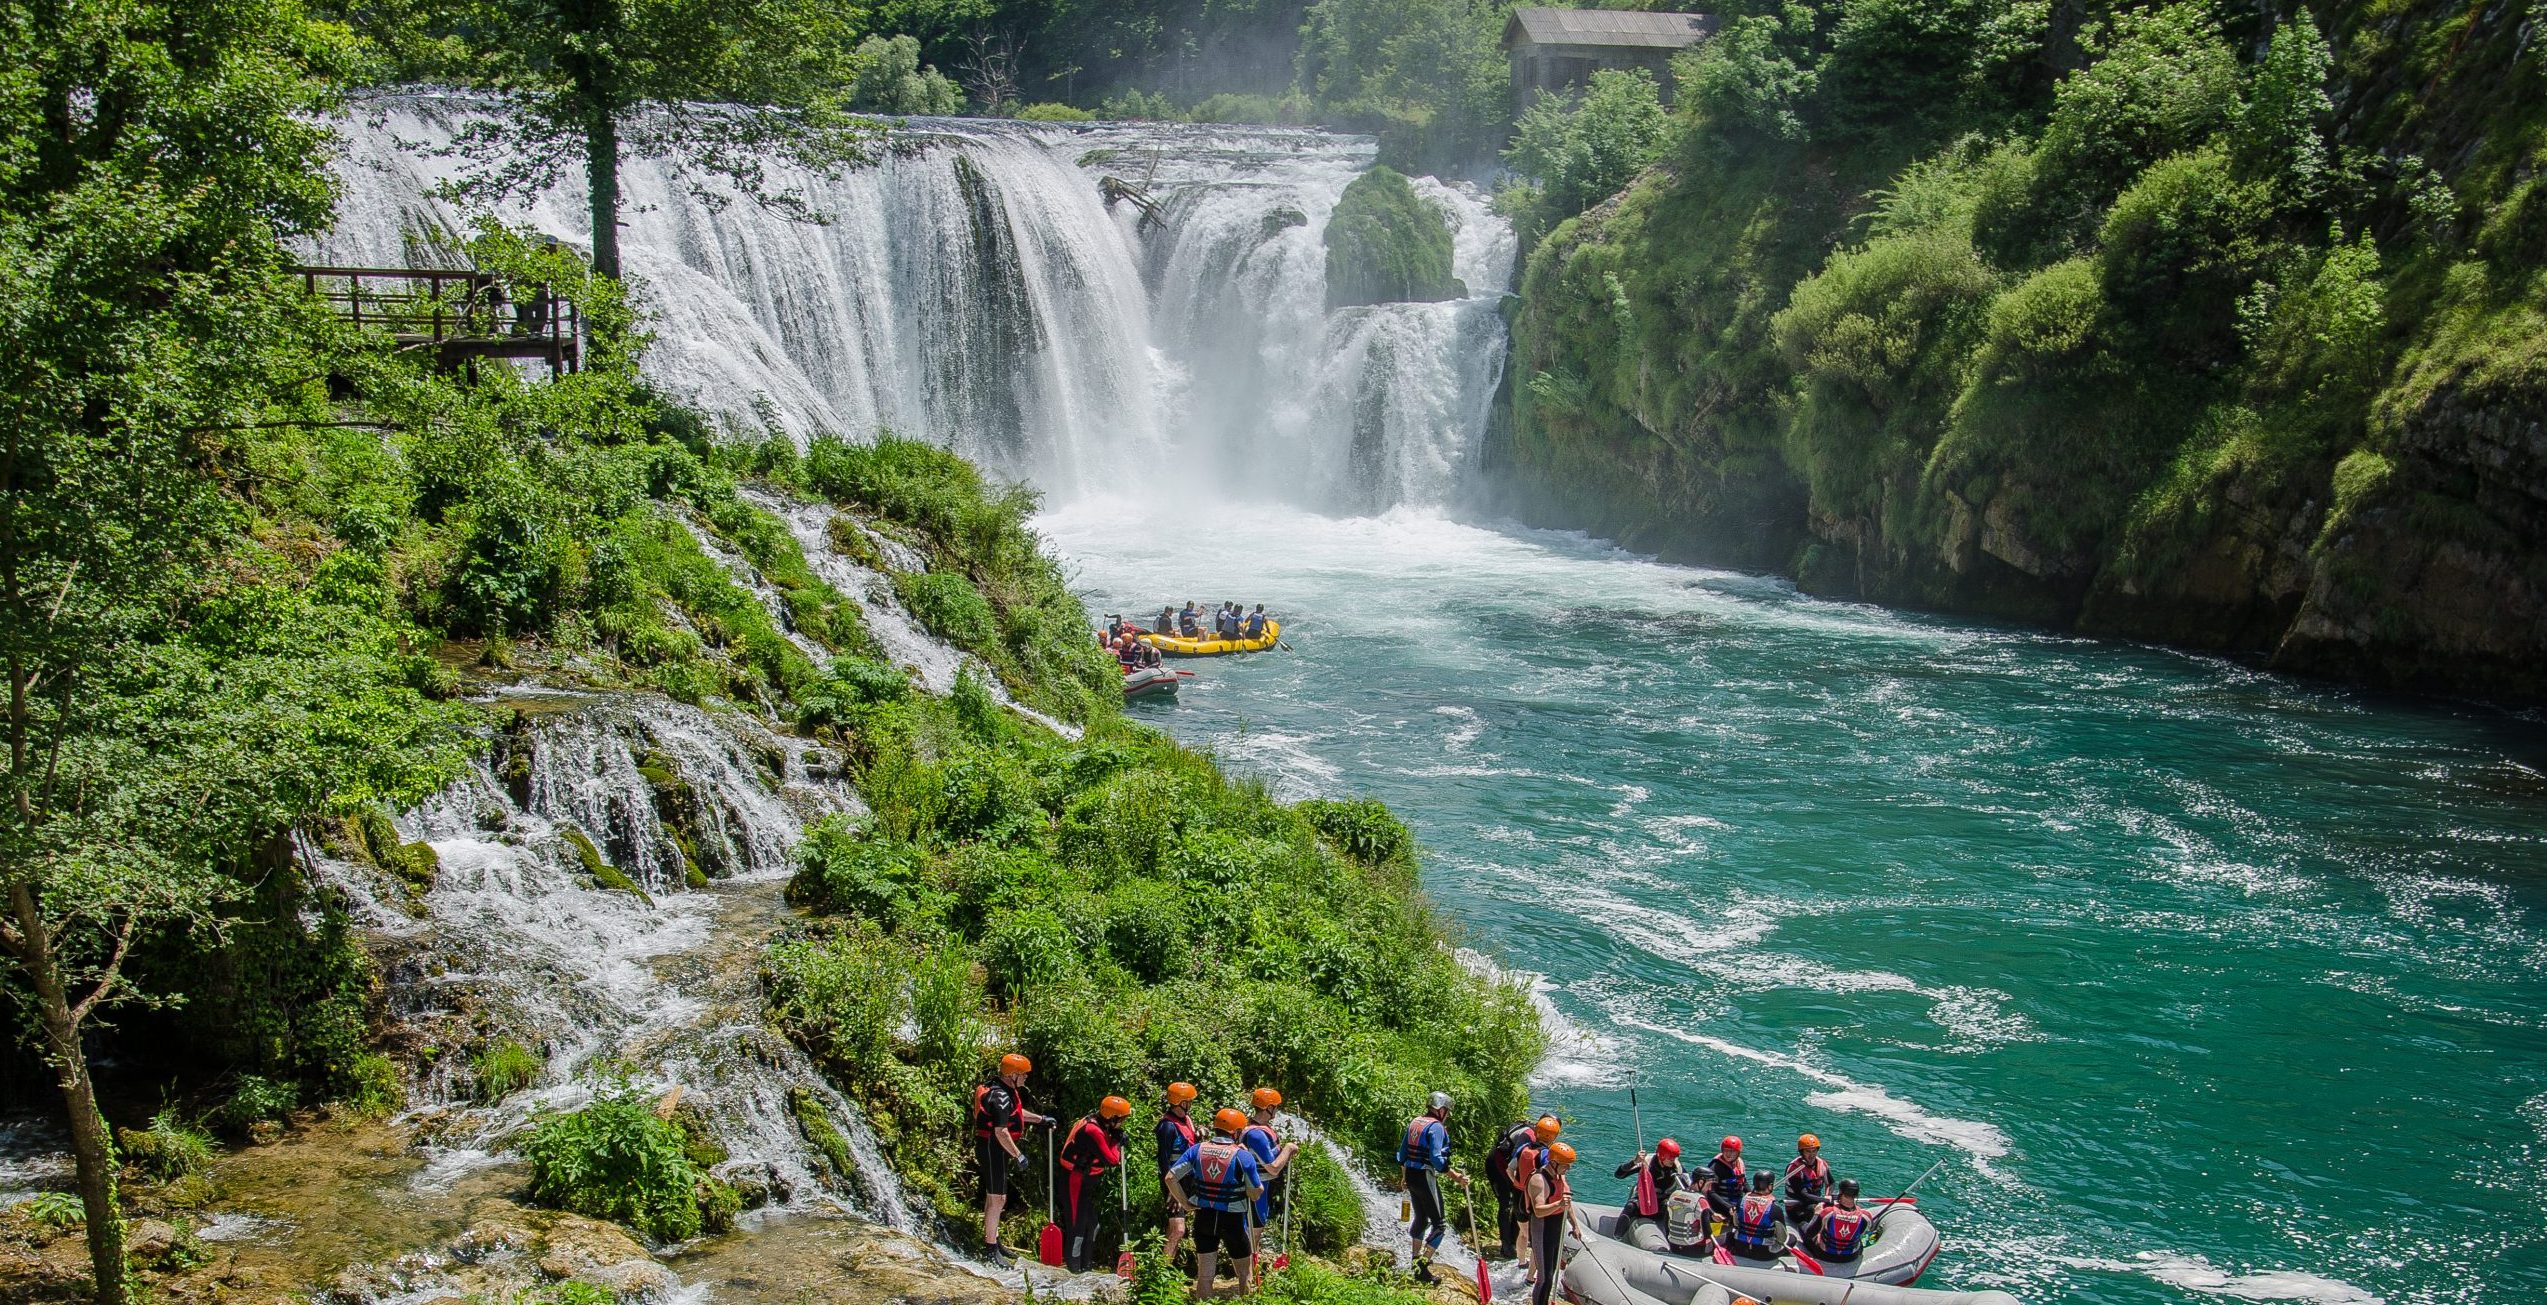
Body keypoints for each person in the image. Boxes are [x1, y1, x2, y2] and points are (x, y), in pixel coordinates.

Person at [1166, 1107, 1266, 1300]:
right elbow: (1256, 1193)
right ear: (1236, 1132)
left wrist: (1185, 1203)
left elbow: (1170, 1177)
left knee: (1204, 1276)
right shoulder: (1243, 1156)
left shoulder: (1197, 1149)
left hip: (1204, 1218)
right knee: (1245, 1274)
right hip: (1232, 1222)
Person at [971, 1053, 1055, 1263]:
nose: (1026, 1078)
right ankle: (990, 1250)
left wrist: (1040, 1119)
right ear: (1013, 1075)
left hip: (994, 1148)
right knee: (997, 1198)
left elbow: (1015, 1113)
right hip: (993, 1148)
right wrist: (1018, 1155)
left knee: (996, 1197)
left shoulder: (1005, 1090)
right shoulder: (1000, 1096)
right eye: (1024, 1074)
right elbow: (1001, 1131)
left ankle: (994, 1239)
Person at [1396, 1091, 1466, 1283]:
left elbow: (1402, 1154)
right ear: (1440, 1109)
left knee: (1421, 1218)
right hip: (1425, 1176)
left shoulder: (1414, 1122)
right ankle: (1421, 1269)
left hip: (1410, 1175)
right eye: (1447, 1111)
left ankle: (1414, 1261)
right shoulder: (1436, 1128)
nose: (1448, 1115)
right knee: (1439, 1224)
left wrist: (1404, 1178)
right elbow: (1436, 1159)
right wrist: (1456, 1176)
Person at [1057, 1096, 1131, 1271]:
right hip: (1074, 1181)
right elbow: (1112, 1160)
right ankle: (1074, 1270)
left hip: (1086, 1183)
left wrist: (1114, 1137)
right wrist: (1117, 1141)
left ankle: (1086, 1267)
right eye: (1122, 1119)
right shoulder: (1092, 1130)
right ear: (1112, 1118)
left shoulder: (1101, 1124)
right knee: (1077, 1227)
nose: (1123, 1123)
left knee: (1093, 1226)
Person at [1486, 1115, 1557, 1261]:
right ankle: (1507, 1248)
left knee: (1517, 1202)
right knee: (1506, 1204)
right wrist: (1523, 1186)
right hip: (1498, 1165)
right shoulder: (1528, 1135)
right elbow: (1515, 1162)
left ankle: (1514, 1241)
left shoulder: (1538, 1138)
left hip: (1510, 1170)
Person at [1240, 1088, 1298, 1261]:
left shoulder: (1260, 1129)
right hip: (1256, 1188)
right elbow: (1273, 1167)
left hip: (1262, 1187)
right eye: (1276, 1107)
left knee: (1255, 1235)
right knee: (1253, 1234)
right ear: (1269, 1108)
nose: (1277, 1110)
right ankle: (1248, 1280)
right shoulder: (1256, 1134)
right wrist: (1288, 1149)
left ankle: (1251, 1277)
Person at [1611, 1136, 1690, 1253]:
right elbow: (1619, 1175)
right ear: (1661, 1155)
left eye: (1674, 1158)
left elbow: (1688, 1186)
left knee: (1672, 1208)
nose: (1673, 1160)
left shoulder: (1677, 1167)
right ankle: (1616, 1238)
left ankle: (1674, 1246)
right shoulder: (1646, 1162)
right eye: (1670, 1158)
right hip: (1643, 1202)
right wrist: (1634, 1162)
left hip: (1662, 1203)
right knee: (1630, 1206)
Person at [1526, 1141, 1575, 1305]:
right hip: (1542, 1230)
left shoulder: (1560, 1176)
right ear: (1553, 1163)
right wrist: (1558, 1204)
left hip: (1556, 1229)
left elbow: (1568, 1202)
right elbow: (1538, 1210)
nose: (1568, 1169)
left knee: (1552, 1272)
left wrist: (1575, 1225)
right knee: (1544, 1277)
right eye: (1566, 1165)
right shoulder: (1538, 1180)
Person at [1156, 1082, 1200, 1265]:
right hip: (1174, 1181)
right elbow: (1163, 1160)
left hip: (1189, 1179)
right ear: (1179, 1102)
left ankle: (1172, 1266)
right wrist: (1172, 1191)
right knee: (1178, 1228)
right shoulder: (1167, 1127)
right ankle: (1161, 1270)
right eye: (1188, 1101)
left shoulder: (1186, 1120)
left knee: (1183, 1227)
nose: (1190, 1104)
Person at [1804, 1178, 1873, 1264]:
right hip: (1851, 1256)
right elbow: (1862, 1233)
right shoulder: (1866, 1216)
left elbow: (1809, 1234)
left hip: (1825, 1254)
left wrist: (1817, 1214)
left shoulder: (1828, 1212)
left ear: (1841, 1193)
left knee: (1802, 1226)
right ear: (1856, 1194)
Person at [1723, 1169, 1787, 1262]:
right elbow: (1782, 1238)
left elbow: (1736, 1223)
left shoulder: (1741, 1201)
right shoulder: (1775, 1209)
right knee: (1791, 1239)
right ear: (1770, 1186)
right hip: (1763, 1254)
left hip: (1740, 1249)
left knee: (1730, 1234)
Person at [1785, 1133, 1832, 1227]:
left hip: (1815, 1201)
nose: (1812, 1155)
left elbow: (1831, 1183)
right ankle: (1811, 1235)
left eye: (1814, 1151)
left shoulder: (1822, 1164)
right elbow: (1804, 1195)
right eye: (1808, 1151)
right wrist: (1824, 1200)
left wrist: (1828, 1196)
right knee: (1812, 1209)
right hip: (1796, 1208)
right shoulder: (1794, 1169)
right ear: (1802, 1152)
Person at [1704, 1136, 1745, 1221]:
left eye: (1733, 1151)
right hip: (1720, 1206)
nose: (1729, 1154)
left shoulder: (1738, 1164)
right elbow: (1711, 1192)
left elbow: (1743, 1182)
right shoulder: (1716, 1167)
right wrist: (1728, 1207)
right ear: (1722, 1150)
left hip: (1735, 1204)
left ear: (1738, 1153)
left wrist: (1754, 1194)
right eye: (1726, 1150)